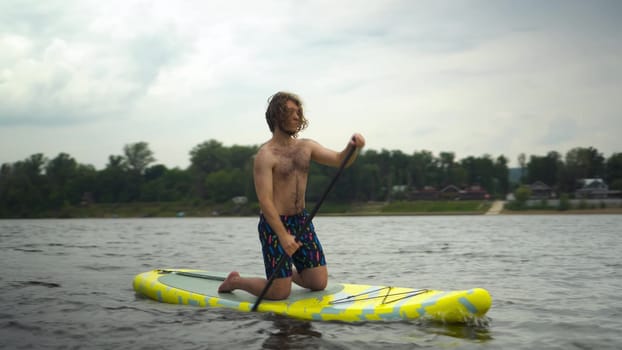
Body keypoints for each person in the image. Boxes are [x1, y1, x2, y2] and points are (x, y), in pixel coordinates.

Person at [218, 91, 365, 300]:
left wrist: (352, 148)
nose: (297, 116)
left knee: (317, 283)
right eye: (291, 112)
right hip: (274, 225)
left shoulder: (307, 147)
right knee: (279, 293)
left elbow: (340, 160)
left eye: (299, 112)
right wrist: (283, 235)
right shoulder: (265, 155)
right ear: (277, 116)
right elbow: (265, 201)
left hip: (301, 221)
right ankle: (237, 281)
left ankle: (282, 275)